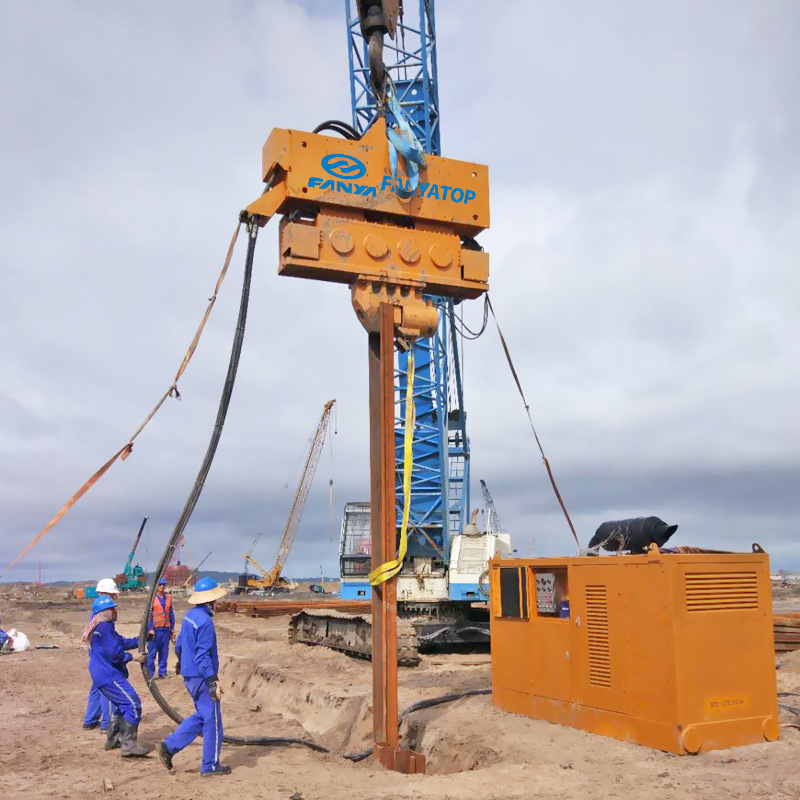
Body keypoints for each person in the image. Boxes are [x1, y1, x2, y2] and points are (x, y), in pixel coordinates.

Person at [158, 577, 230, 777]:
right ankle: (210, 766)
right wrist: (212, 681)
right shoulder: (205, 622)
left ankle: (169, 746)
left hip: (190, 675)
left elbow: (180, 645)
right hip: (201, 676)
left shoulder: (189, 617)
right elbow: (203, 655)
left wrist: (182, 662)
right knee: (213, 721)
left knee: (203, 717)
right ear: (209, 601)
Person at [86, 595, 150, 757]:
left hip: (101, 673)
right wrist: (133, 657)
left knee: (122, 706)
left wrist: (141, 639)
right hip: (109, 675)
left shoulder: (102, 627)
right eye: (112, 609)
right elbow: (115, 653)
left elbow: (120, 643)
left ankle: (114, 739)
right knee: (133, 705)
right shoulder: (104, 628)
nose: (115, 611)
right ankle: (129, 746)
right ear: (104, 612)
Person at [83, 578, 119, 731]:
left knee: (97, 686)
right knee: (107, 686)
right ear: (101, 593)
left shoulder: (99, 611)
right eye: (111, 595)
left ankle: (90, 720)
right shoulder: (102, 614)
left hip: (96, 653)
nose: (113, 598)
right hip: (102, 654)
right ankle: (107, 723)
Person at [147, 578, 175, 679]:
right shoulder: (152, 599)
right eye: (160, 585)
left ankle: (162, 672)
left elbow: (171, 614)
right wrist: (150, 628)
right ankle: (150, 673)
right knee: (152, 653)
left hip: (165, 630)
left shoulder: (168, 598)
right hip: (154, 630)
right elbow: (148, 616)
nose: (162, 586)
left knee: (164, 652)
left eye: (164, 584)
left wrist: (172, 628)